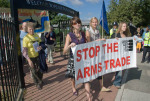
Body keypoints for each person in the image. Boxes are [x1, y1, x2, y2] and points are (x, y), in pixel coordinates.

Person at [63, 17, 91, 101]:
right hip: (73, 59)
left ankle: (89, 98)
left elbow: (88, 45)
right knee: (73, 77)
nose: (78, 24)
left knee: (86, 78)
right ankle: (73, 87)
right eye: (75, 23)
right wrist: (69, 46)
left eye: (79, 22)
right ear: (72, 25)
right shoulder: (69, 35)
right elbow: (64, 51)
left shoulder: (83, 34)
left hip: (83, 59)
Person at [86, 17, 111, 92]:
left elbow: (100, 42)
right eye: (93, 22)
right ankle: (88, 85)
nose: (95, 23)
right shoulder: (88, 31)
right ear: (91, 23)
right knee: (91, 70)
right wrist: (99, 40)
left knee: (99, 68)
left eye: (96, 22)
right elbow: (89, 43)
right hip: (90, 54)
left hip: (97, 53)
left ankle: (101, 86)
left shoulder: (98, 31)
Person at [22, 22, 43, 90]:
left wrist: (40, 47)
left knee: (40, 69)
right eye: (30, 29)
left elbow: (41, 43)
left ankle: (40, 80)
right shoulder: (26, 38)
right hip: (30, 57)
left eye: (32, 29)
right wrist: (29, 60)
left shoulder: (36, 35)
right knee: (33, 71)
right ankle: (37, 83)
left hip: (37, 56)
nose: (31, 31)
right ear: (27, 30)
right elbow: (24, 52)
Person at [111, 22, 131, 89]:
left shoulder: (125, 35)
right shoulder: (115, 34)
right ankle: (117, 82)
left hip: (123, 54)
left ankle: (116, 80)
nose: (125, 27)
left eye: (125, 26)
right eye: (123, 26)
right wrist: (114, 40)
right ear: (120, 27)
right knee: (119, 68)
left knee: (120, 68)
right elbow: (110, 43)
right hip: (117, 54)